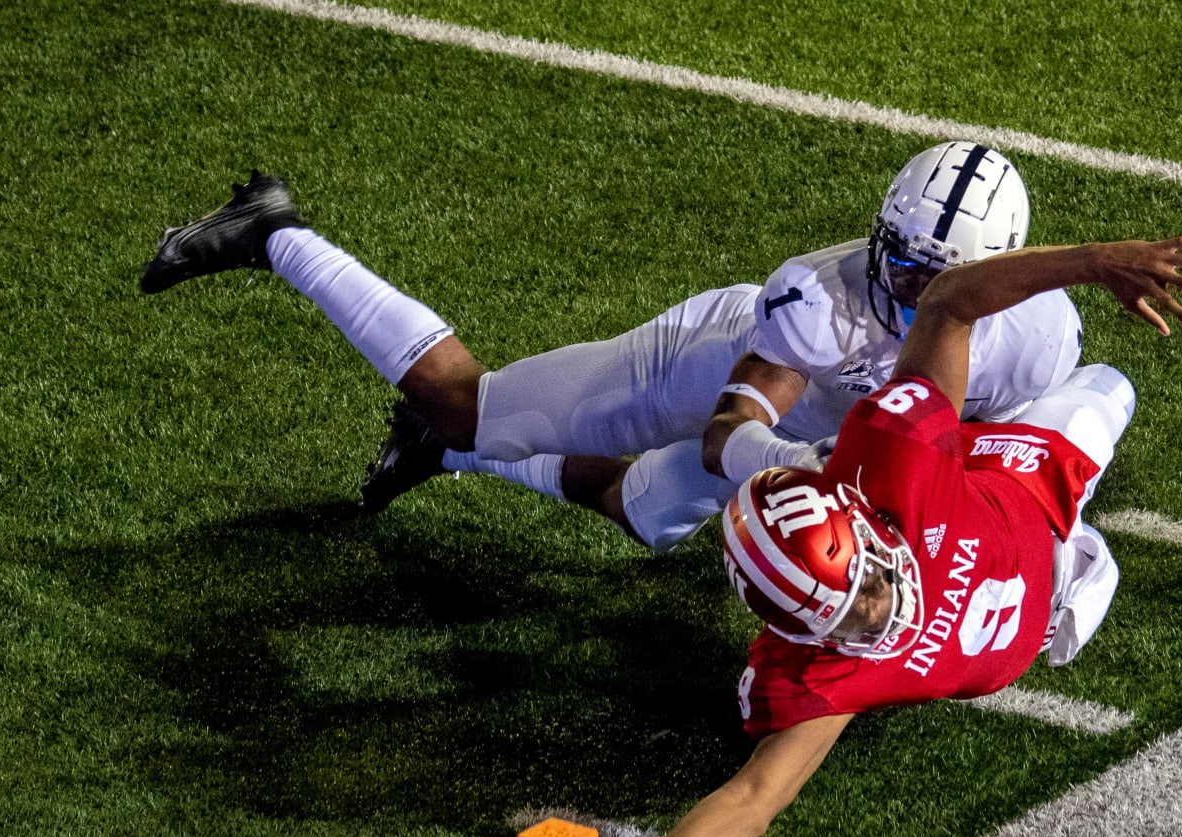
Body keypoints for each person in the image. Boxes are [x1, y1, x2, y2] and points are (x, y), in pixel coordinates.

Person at [592, 233, 1182, 837]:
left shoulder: (897, 457)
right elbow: (754, 800)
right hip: (1029, 594)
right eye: (842, 618)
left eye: (866, 585)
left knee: (1110, 386)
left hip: (1023, 483)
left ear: (865, 523)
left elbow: (949, 301)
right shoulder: (812, 668)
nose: (873, 613)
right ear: (794, 628)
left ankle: (1009, 457)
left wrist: (1094, 261)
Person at [139, 144, 1095, 556]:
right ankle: (274, 233)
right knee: (471, 401)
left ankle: (447, 458)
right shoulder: (820, 296)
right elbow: (731, 431)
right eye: (898, 259)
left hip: (823, 445)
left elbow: (1005, 455)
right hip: (720, 369)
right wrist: (810, 467)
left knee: (646, 514)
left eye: (935, 278)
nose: (903, 289)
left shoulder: (1038, 337)